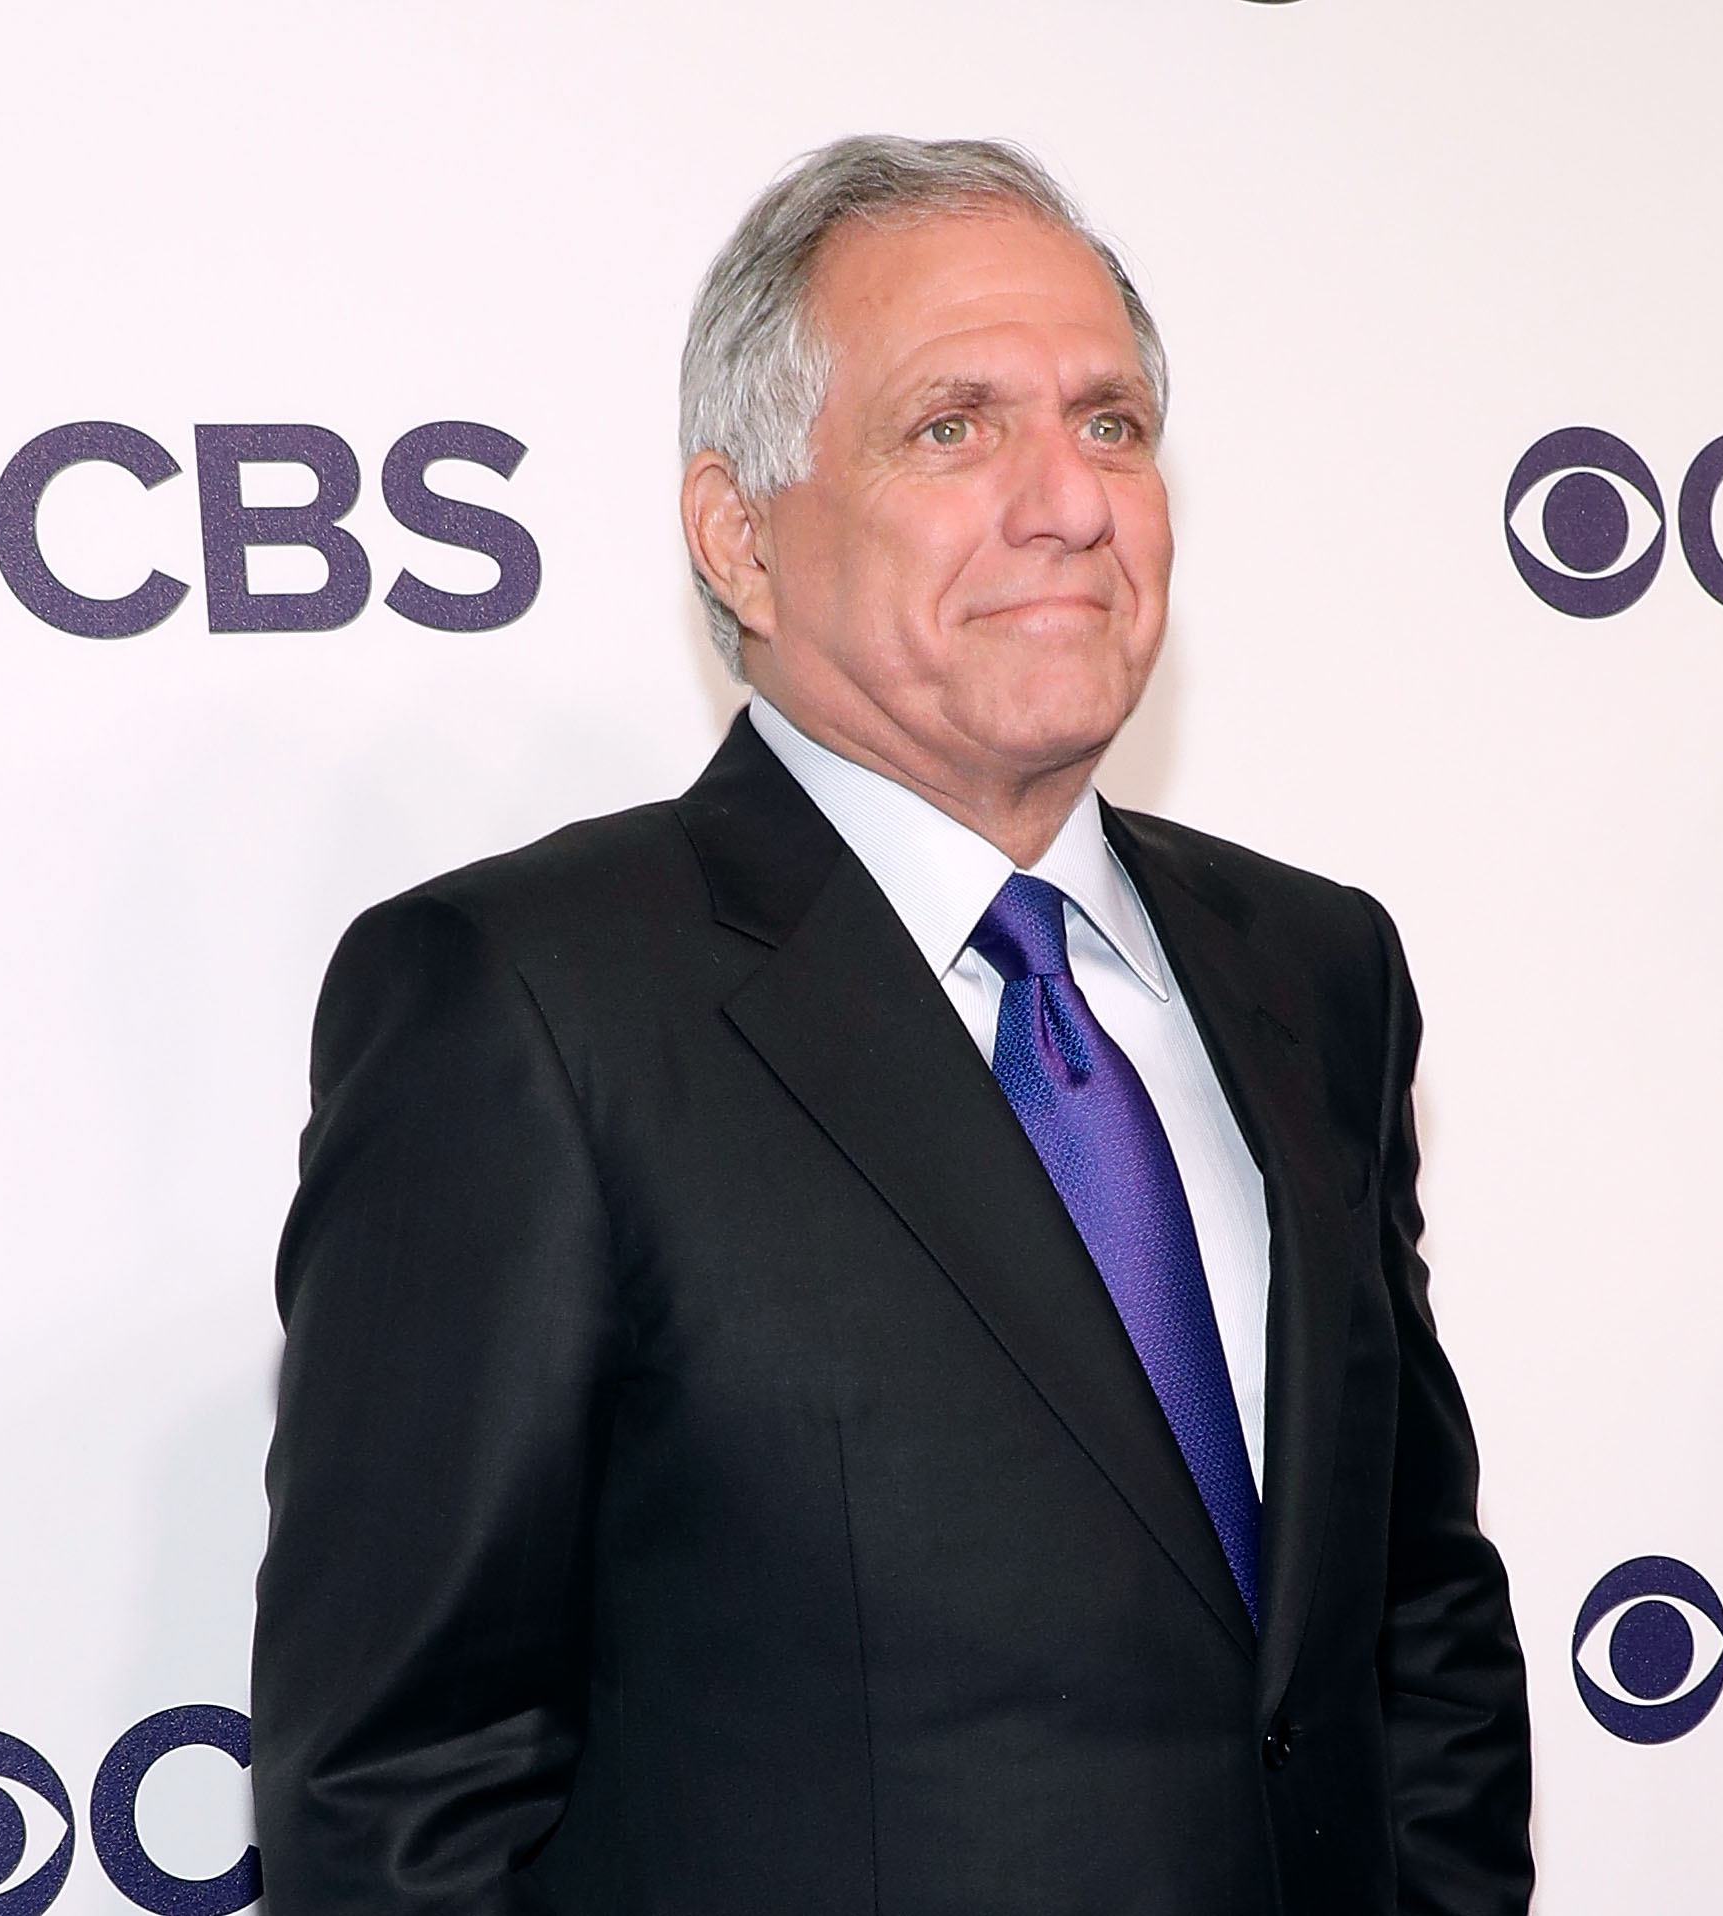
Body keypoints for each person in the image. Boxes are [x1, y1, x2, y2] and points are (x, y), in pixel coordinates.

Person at [252, 135, 1531, 1916]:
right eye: (953, 427)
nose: (1071, 501)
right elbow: (402, 1797)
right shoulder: (525, 1010)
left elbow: (1411, 1615)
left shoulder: (1316, 965)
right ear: (739, 535)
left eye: (1110, 425)